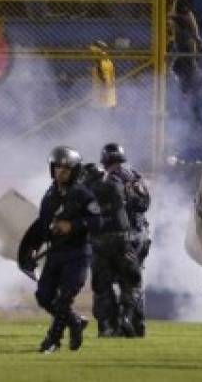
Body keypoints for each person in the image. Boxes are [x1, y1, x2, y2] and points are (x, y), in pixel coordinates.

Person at [33, 147, 101, 353]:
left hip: (78, 254)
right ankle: (75, 322)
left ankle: (53, 340)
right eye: (57, 168)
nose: (60, 172)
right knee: (44, 297)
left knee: (64, 299)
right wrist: (31, 248)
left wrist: (73, 225)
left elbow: (97, 221)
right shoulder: (49, 194)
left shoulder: (83, 194)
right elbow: (42, 225)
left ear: (75, 171)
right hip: (55, 254)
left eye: (66, 168)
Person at [83, 144, 145, 338]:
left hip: (103, 239)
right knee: (132, 282)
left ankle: (107, 326)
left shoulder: (95, 180)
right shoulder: (133, 177)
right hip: (132, 238)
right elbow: (144, 205)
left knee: (103, 285)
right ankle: (134, 324)